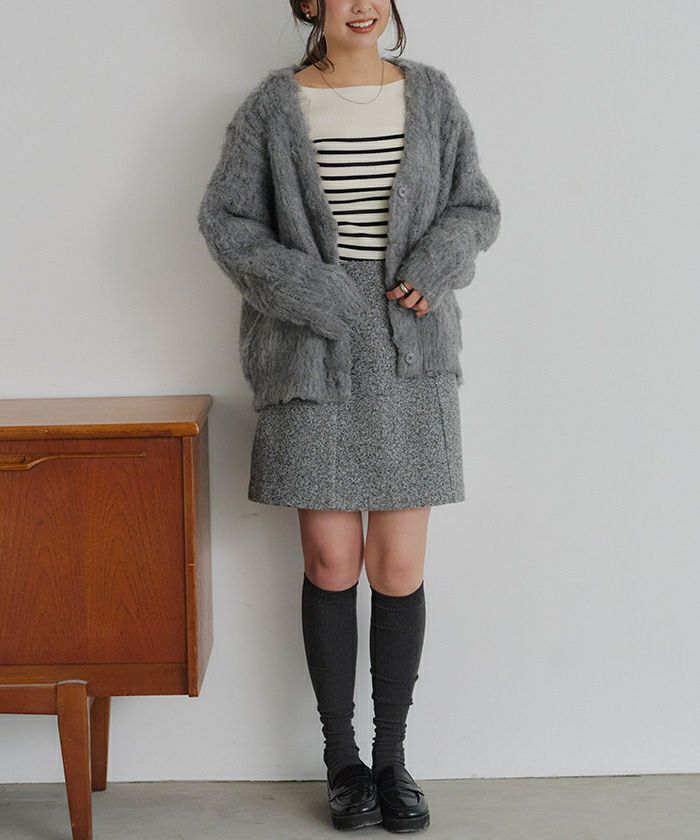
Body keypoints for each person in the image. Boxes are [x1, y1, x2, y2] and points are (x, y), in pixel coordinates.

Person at [197, 0, 501, 832]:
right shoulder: (273, 105)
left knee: (397, 566)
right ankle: (343, 761)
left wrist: (435, 264)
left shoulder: (431, 96)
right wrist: (309, 290)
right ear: (310, 5)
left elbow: (475, 207)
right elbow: (226, 222)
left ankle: (393, 759)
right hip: (310, 348)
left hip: (411, 348)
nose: (361, 3)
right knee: (331, 560)